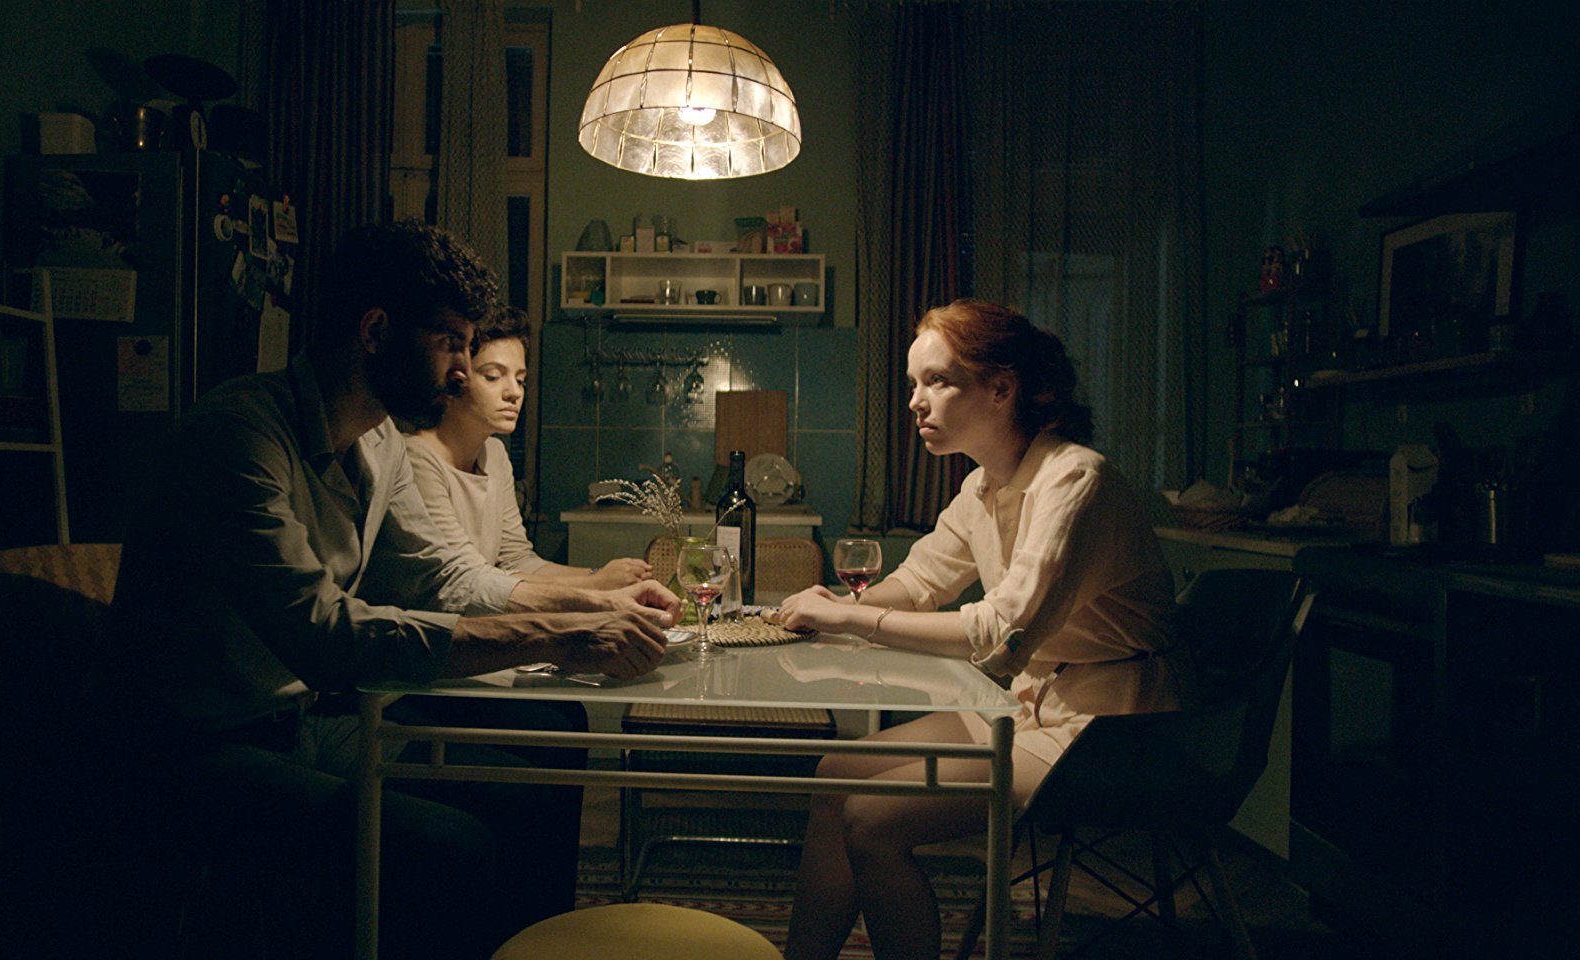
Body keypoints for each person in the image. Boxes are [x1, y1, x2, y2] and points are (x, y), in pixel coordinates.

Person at [107, 219, 680, 960]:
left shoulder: (377, 440)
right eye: (450, 344)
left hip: (307, 724)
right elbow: (323, 632)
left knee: (535, 786)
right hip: (198, 747)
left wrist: (593, 603)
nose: (462, 372)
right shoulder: (238, 437)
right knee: (448, 847)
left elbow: (439, 574)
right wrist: (560, 636)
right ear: (375, 331)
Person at [776, 299, 1186, 960]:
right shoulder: (981, 486)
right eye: (913, 383)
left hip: (1111, 728)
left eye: (937, 380)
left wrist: (850, 616)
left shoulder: (1074, 478)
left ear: (1000, 388)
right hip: (1028, 703)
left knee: (871, 820)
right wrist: (833, 603)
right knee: (836, 773)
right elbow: (919, 583)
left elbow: (1001, 629)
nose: (915, 401)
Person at [404, 305, 651, 589]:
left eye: (520, 379)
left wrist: (601, 575)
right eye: (493, 376)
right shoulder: (417, 459)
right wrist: (597, 584)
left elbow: (517, 560)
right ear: (454, 378)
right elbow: (470, 578)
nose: (514, 392)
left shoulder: (494, 454)